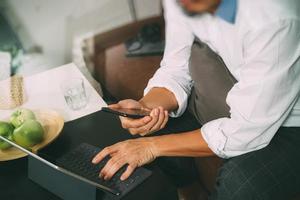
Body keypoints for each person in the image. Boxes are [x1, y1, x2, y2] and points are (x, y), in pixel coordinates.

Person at [92, 0, 300, 199]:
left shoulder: (274, 18)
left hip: (291, 121)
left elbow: (246, 129)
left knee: (239, 184)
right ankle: (188, 192)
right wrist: (145, 107)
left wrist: (151, 146)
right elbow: (176, 68)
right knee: (152, 127)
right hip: (239, 88)